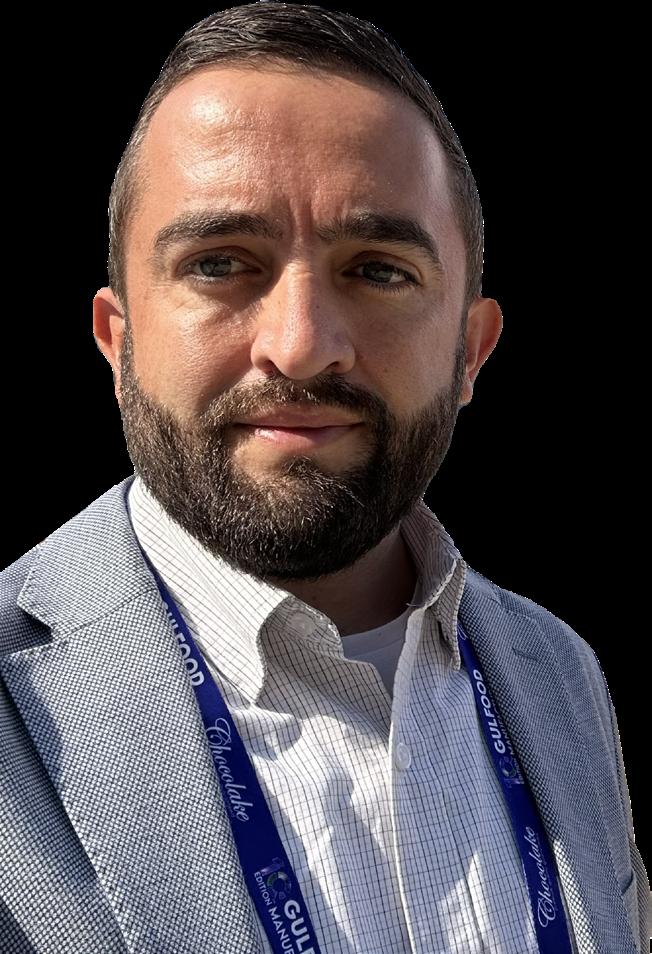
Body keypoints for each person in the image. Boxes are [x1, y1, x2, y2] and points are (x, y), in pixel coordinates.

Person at [1, 3, 649, 953]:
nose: (302, 346)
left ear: (470, 351)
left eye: (378, 270)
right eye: (220, 264)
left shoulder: (560, 674)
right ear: (118, 339)